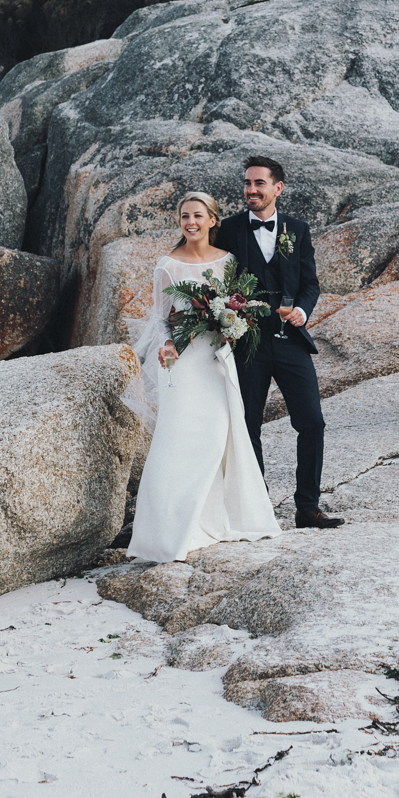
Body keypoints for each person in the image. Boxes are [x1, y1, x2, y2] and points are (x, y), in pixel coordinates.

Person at [124, 193, 281, 562]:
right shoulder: (167, 265)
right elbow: (161, 316)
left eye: (197, 216)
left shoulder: (228, 262)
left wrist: (233, 325)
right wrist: (167, 344)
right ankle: (167, 533)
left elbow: (237, 302)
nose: (190, 222)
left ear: (213, 220)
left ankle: (215, 519)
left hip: (216, 359)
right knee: (177, 440)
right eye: (184, 216)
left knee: (216, 437)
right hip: (181, 362)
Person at [213, 156, 342, 529]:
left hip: (290, 341)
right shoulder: (228, 230)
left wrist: (303, 310)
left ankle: (308, 508)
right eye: (247, 184)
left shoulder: (297, 230)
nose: (251, 190)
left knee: (312, 422)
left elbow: (310, 283)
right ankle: (258, 506)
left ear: (277, 188)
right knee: (248, 425)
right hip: (247, 342)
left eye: (259, 184)